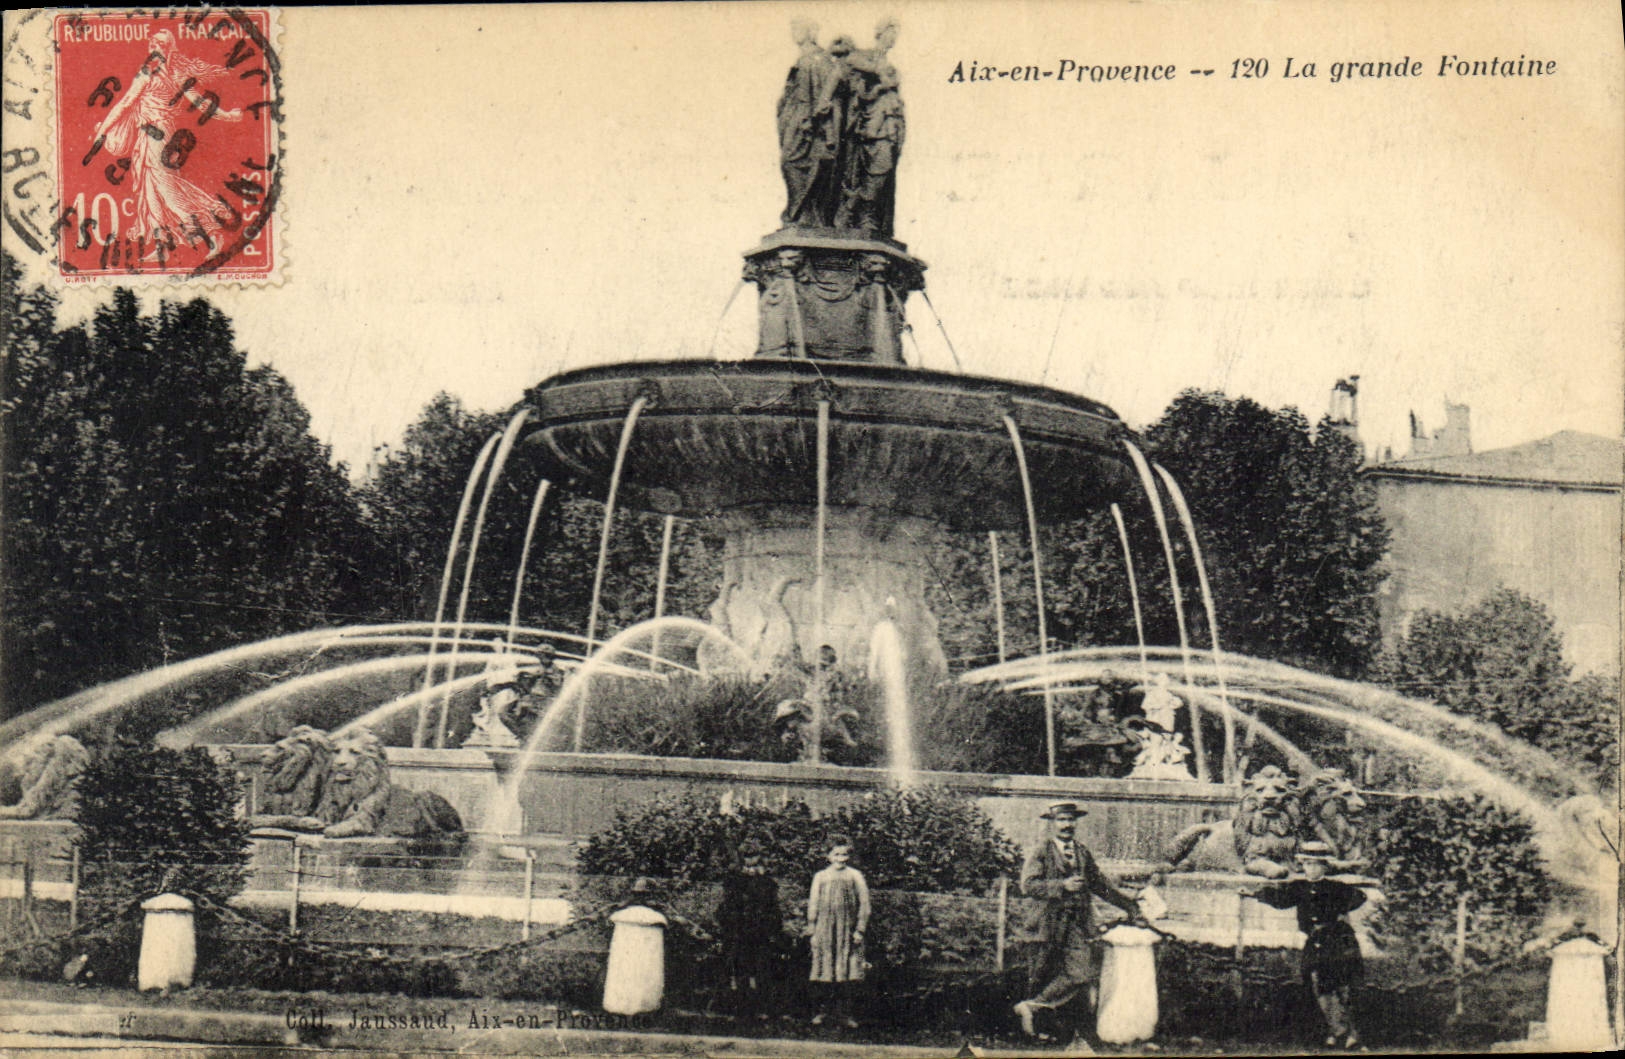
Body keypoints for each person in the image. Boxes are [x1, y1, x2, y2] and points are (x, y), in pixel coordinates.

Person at [89, 30, 245, 257]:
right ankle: (162, 246)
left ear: (169, 48)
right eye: (152, 42)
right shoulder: (148, 73)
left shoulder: (169, 73)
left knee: (166, 186)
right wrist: (102, 131)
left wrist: (228, 116)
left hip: (159, 134)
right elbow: (124, 105)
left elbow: (200, 102)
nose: (155, 46)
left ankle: (210, 233)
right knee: (149, 188)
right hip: (147, 136)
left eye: (160, 43)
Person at [1014, 802, 1143, 1041]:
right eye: (1062, 820)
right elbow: (1028, 885)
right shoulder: (1041, 850)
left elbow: (1100, 885)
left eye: (1071, 820)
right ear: (1052, 823)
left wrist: (1130, 906)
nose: (1067, 825)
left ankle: (1032, 1007)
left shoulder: (1082, 852)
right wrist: (1061, 886)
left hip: (1075, 924)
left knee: (1081, 973)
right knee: (1040, 973)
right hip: (1046, 923)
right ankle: (1033, 1031)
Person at [1248, 841, 1367, 1049]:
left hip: (1338, 939)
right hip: (1314, 941)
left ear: (1324, 866)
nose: (1312, 869)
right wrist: (1254, 894)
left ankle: (1352, 1033)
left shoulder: (1335, 887)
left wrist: (1338, 913)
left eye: (1317, 864)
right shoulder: (1299, 887)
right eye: (1307, 864)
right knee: (1317, 983)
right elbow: (1280, 898)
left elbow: (1359, 897)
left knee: (1342, 984)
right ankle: (1335, 1030)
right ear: (1302, 865)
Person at [807, 833, 870, 1028]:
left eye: (844, 855)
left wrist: (859, 929)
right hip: (825, 929)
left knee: (847, 971)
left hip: (847, 930)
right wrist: (812, 926)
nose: (840, 859)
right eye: (836, 854)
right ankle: (823, 1011)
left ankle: (846, 1014)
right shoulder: (821, 876)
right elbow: (814, 903)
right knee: (824, 969)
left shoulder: (855, 876)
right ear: (828, 856)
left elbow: (865, 904)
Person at [715, 838, 783, 1014]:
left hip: (760, 931)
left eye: (754, 856)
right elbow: (726, 906)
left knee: (762, 969)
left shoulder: (767, 881)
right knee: (741, 969)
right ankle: (741, 1007)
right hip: (739, 931)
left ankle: (763, 1008)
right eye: (747, 856)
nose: (750, 860)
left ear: (760, 857)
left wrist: (773, 929)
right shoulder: (734, 879)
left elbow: (773, 907)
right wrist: (729, 928)